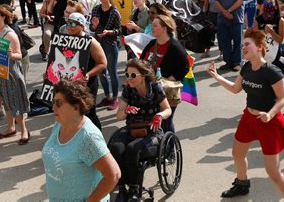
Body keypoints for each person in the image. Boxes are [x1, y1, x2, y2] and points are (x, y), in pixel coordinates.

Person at [207, 30, 284, 202]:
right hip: (249, 118)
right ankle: (242, 184)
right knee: (237, 154)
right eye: (242, 44)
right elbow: (236, 89)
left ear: (259, 47)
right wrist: (217, 76)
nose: (243, 47)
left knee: (273, 172)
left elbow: (283, 98)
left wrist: (270, 114)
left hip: (269, 122)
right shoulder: (246, 67)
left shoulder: (272, 71)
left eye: (247, 44)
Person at [42, 79, 120, 202]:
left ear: (75, 107)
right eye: (54, 102)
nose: (53, 107)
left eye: (58, 103)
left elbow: (113, 175)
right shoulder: (59, 124)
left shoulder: (88, 137)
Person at [108, 59, 171, 201]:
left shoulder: (155, 88)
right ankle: (123, 188)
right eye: (127, 74)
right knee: (115, 147)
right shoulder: (128, 90)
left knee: (132, 149)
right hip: (132, 128)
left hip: (151, 131)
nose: (129, 79)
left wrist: (159, 115)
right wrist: (127, 110)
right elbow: (119, 116)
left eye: (133, 75)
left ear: (143, 75)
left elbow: (167, 109)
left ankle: (135, 189)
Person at [140, 14, 189, 134]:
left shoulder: (175, 47)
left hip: (166, 91)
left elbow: (185, 67)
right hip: (150, 89)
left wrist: (167, 81)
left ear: (164, 29)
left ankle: (169, 147)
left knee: (166, 121)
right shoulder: (152, 44)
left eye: (155, 25)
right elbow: (141, 62)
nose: (152, 27)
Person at [0, 6, 30, 144]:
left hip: (11, 73)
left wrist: (11, 55)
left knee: (14, 101)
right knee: (6, 101)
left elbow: (19, 55)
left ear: (4, 17)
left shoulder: (10, 34)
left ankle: (24, 130)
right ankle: (11, 128)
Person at [65, 12, 107, 130]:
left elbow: (103, 63)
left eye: (73, 24)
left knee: (89, 113)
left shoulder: (90, 41)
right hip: (70, 84)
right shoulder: (65, 39)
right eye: (68, 22)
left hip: (88, 84)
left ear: (82, 26)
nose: (69, 26)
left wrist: (88, 74)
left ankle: (97, 141)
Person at [91, 0, 122, 110]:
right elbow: (92, 28)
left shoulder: (114, 12)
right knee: (101, 72)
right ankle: (108, 96)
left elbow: (119, 30)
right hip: (98, 44)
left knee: (112, 72)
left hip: (110, 44)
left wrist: (109, 32)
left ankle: (115, 98)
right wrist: (94, 26)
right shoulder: (96, 10)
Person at [215, 0, 248, 71]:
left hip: (236, 17)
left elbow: (241, 0)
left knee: (237, 41)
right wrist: (224, 12)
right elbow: (216, 1)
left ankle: (236, 62)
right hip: (222, 18)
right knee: (225, 41)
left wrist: (229, 11)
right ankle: (228, 62)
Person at [253, 0, 284, 75]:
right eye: (266, 2)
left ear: (275, 6)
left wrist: (271, 32)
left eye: (271, 3)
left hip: (275, 55)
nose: (268, 4)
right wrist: (264, 32)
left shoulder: (280, 20)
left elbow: (280, 40)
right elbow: (254, 38)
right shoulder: (258, 19)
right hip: (260, 54)